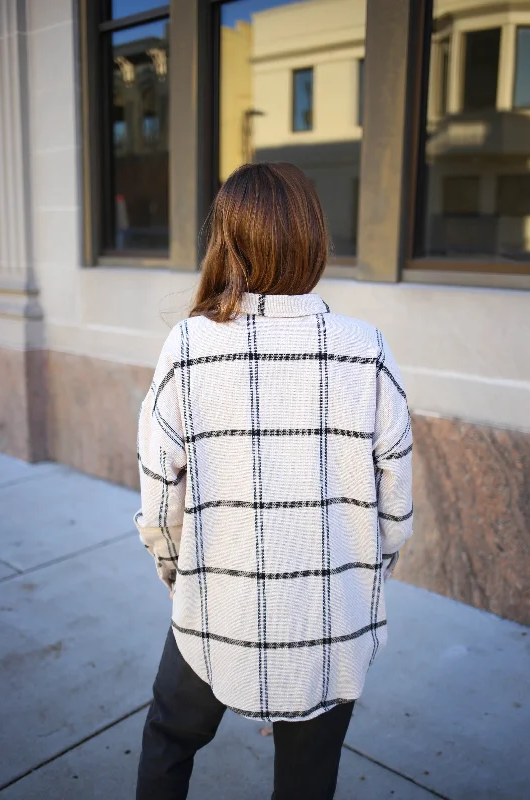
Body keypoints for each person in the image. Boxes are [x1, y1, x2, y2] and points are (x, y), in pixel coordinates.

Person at [134, 162, 413, 799]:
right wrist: (355, 583)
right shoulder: (365, 349)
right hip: (330, 619)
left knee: (169, 739)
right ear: (316, 239)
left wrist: (182, 579)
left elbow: (160, 508)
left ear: (225, 242)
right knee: (308, 782)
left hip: (214, 608)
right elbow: (395, 514)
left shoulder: (188, 346)